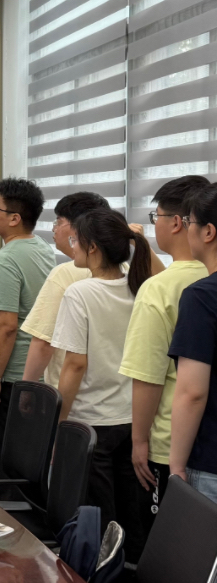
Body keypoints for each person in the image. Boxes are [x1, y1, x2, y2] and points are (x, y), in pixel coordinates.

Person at [50, 208, 153, 560]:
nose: (72, 246)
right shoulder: (140, 287)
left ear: (93, 247)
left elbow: (74, 364)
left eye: (75, 240)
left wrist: (57, 423)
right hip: (133, 420)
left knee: (98, 525)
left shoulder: (79, 293)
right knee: (131, 519)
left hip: (92, 422)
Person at [118, 176, 212, 540]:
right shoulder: (204, 276)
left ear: (177, 223)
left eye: (155, 216)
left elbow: (148, 376)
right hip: (206, 441)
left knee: (171, 548)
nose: (153, 223)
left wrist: (139, 441)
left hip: (174, 444)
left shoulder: (162, 290)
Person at [0, 177, 55, 479]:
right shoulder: (42, 248)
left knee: (6, 470)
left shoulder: (5, 261)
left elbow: (6, 326)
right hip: (37, 377)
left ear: (14, 218)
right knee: (29, 469)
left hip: (11, 381)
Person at [21, 192, 112, 384]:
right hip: (113, 391)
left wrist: (26, 390)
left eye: (59, 222)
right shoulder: (124, 270)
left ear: (80, 227)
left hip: (71, 391)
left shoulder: (65, 273)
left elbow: (43, 343)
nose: (54, 228)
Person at [169, 187, 217, 504]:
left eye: (189, 222)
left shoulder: (202, 296)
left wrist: (176, 466)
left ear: (208, 232)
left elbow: (192, 392)